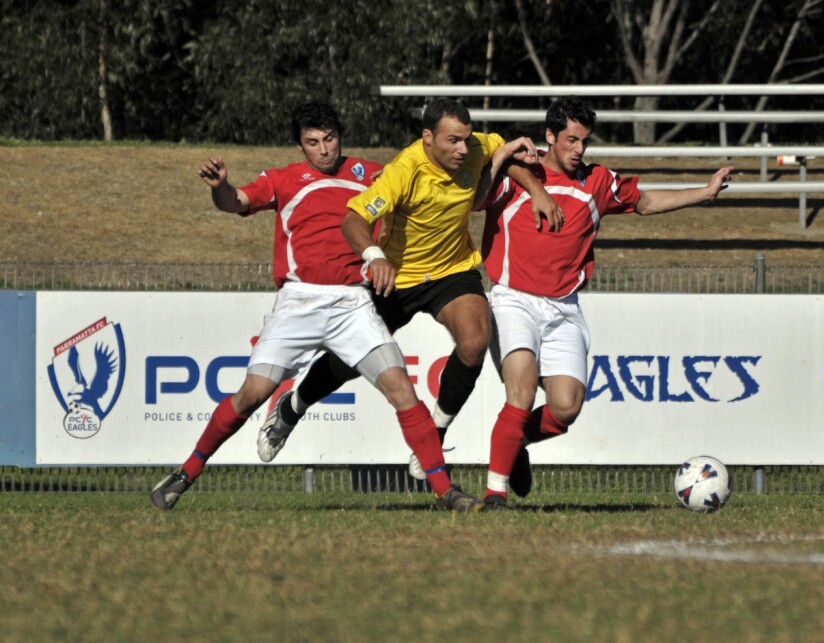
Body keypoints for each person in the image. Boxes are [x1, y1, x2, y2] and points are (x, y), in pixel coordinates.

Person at [151, 100, 484, 512]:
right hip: (301, 300)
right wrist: (220, 186)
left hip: (354, 302)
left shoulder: (371, 173)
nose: (324, 149)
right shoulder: (283, 179)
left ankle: (445, 492)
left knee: (402, 390)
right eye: (313, 142)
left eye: (330, 139)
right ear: (299, 146)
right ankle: (185, 474)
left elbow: (418, 188)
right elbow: (235, 201)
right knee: (253, 394)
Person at [258, 98, 564, 480]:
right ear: (428, 137)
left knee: (474, 340)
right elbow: (353, 219)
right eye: (452, 141)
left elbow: (505, 155)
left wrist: (537, 191)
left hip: (453, 269)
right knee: (347, 361)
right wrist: (374, 257)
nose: (462, 148)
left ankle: (435, 434)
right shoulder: (403, 171)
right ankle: (293, 408)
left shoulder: (474, 146)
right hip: (398, 277)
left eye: (466, 139)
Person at [476, 97, 734, 509]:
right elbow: (478, 195)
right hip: (513, 299)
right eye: (571, 140)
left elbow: (645, 203)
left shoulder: (597, 181)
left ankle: (517, 441)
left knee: (565, 408)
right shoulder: (521, 169)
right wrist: (510, 161)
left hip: (564, 307)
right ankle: (494, 495)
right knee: (520, 393)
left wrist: (704, 192)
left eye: (585, 141)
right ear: (549, 136)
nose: (578, 149)